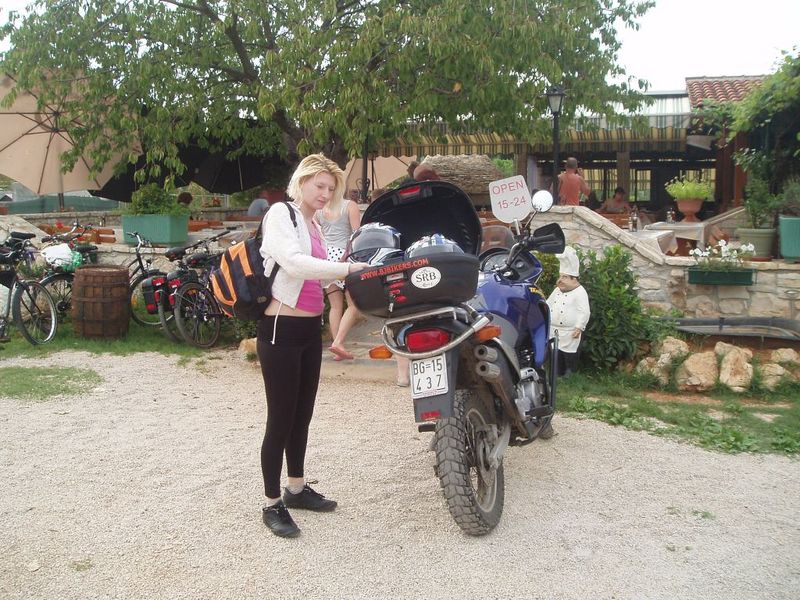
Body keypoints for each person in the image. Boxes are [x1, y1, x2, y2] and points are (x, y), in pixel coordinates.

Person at [257, 153, 369, 538]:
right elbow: (294, 264)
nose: (324, 193)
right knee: (280, 418)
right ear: (301, 182)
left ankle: (296, 488)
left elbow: (321, 276)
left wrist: (361, 277)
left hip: (308, 330)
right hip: (281, 328)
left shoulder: (314, 223)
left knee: (302, 415)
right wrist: (347, 269)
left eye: (330, 188)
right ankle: (272, 503)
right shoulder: (281, 215)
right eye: (319, 185)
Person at [316, 190, 362, 361]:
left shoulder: (319, 210)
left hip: (327, 258)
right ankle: (338, 342)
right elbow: (356, 235)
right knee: (354, 305)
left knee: (335, 306)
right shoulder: (350, 206)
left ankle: (338, 349)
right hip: (345, 257)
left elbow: (317, 236)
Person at [546, 246, 590, 378]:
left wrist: (579, 327)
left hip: (570, 332)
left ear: (573, 279)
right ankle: (556, 372)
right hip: (554, 330)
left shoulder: (580, 292)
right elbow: (548, 304)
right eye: (560, 276)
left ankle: (569, 372)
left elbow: (584, 312)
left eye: (565, 277)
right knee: (555, 352)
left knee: (569, 353)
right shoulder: (557, 290)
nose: (560, 280)